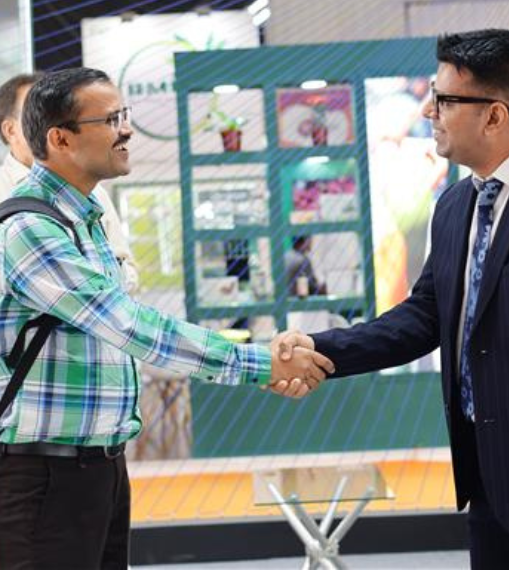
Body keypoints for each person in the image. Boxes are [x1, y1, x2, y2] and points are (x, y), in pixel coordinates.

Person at [0, 67, 334, 570]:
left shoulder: (85, 221)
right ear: (60, 138)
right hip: (43, 476)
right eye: (111, 119)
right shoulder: (29, 228)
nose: (126, 130)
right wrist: (262, 364)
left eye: (125, 115)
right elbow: (131, 326)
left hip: (99, 468)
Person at [274, 29, 509, 570]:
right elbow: (422, 317)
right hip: (486, 476)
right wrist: (317, 348)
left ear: (494, 116)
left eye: (446, 99)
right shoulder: (456, 206)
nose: (429, 108)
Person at [0, 72, 139, 294]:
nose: (126, 130)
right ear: (10, 130)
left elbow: (124, 268)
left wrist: (100, 283)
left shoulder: (92, 194)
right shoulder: (24, 218)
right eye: (34, 115)